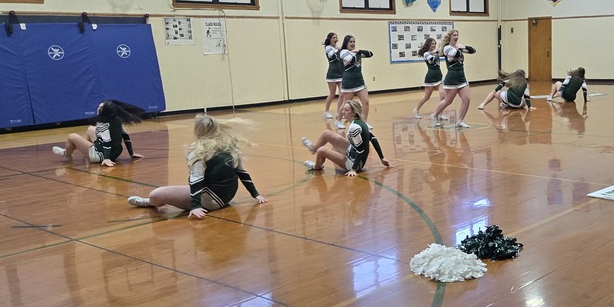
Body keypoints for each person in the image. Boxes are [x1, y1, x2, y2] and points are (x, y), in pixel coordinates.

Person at [128, 113, 267, 217]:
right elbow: (242, 171)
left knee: (157, 194)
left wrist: (195, 206)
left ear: (198, 131)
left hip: (211, 199)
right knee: (183, 189)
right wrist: (255, 194)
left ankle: (150, 202)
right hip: (226, 196)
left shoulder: (199, 149)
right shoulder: (230, 143)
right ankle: (181, 200)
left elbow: (196, 178)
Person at [301, 99, 391, 177]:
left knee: (321, 151)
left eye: (346, 110)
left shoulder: (354, 127)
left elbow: (360, 150)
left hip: (353, 162)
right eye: (343, 110)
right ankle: (313, 149)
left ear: (354, 112)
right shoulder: (360, 122)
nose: (343, 112)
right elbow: (373, 139)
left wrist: (353, 170)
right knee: (327, 134)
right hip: (352, 152)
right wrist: (382, 158)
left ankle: (316, 167)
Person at [53, 99, 145, 167]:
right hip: (116, 152)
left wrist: (106, 159)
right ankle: (86, 152)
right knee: (90, 129)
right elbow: (125, 136)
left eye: (101, 108)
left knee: (71, 136)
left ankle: (67, 154)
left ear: (105, 111)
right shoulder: (117, 119)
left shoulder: (102, 123)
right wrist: (131, 153)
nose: (98, 108)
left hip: (100, 155)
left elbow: (106, 141)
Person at [431, 29, 475, 128]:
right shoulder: (447, 48)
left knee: (466, 99)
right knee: (448, 101)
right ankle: (435, 115)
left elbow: (473, 50)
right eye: (454, 35)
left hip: (462, 77)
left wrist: (463, 46)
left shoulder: (458, 47)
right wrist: (460, 48)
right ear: (450, 37)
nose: (456, 37)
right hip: (452, 78)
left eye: (457, 35)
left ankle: (460, 121)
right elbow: (456, 54)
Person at [336, 34, 374, 126]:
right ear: (346, 43)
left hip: (359, 81)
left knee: (366, 101)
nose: (353, 43)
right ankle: (338, 121)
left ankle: (364, 122)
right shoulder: (343, 52)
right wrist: (358, 54)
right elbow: (352, 60)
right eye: (350, 42)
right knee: (346, 103)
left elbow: (370, 54)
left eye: (354, 42)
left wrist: (359, 51)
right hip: (349, 82)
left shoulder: (356, 52)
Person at [413, 37, 444, 119]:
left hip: (439, 76)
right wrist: (437, 53)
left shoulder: (435, 52)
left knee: (442, 93)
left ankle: (440, 113)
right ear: (428, 44)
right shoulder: (426, 54)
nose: (434, 45)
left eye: (435, 44)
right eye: (432, 44)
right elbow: (433, 60)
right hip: (430, 77)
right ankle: (416, 110)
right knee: (427, 97)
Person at [322, 31, 342, 118]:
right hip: (332, 73)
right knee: (332, 94)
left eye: (336, 37)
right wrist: (340, 50)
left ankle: (339, 112)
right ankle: (326, 111)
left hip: (340, 73)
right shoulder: (328, 48)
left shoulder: (338, 48)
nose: (335, 39)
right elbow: (333, 56)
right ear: (329, 39)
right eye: (333, 38)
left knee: (342, 94)